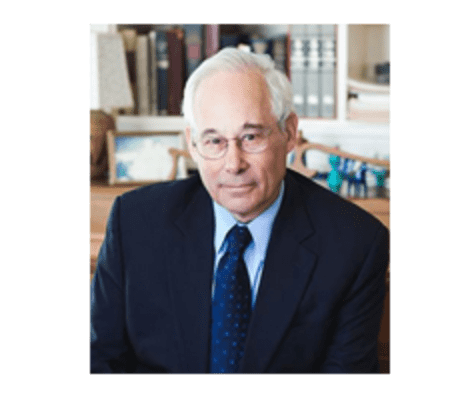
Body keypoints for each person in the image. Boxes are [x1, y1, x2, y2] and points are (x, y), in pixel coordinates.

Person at [89, 48, 389, 374]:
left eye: (250, 137)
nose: (234, 164)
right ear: (192, 144)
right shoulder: (135, 223)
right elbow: (99, 361)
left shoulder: (355, 245)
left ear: (289, 133)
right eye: (214, 141)